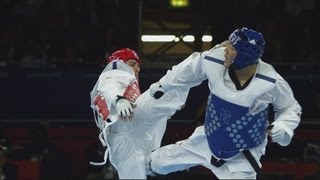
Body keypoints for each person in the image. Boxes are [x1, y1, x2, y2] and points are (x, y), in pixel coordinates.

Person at [146, 27, 302, 179]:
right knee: (156, 163)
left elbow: (290, 107)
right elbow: (189, 69)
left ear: (244, 56)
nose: (225, 49)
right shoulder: (214, 59)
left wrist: (284, 127)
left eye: (232, 48)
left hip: (243, 153)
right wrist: (164, 85)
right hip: (207, 139)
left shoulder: (270, 80)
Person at [89, 48, 200, 179]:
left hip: (126, 139)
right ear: (120, 63)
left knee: (155, 163)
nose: (137, 69)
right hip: (126, 126)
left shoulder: (125, 86)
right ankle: (200, 62)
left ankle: (194, 153)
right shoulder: (115, 70)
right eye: (132, 63)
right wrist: (118, 100)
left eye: (137, 65)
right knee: (166, 91)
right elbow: (109, 85)